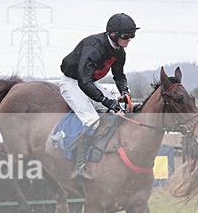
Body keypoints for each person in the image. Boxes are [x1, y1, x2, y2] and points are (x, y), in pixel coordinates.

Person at [59, 13, 139, 180]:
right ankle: (78, 166)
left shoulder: (119, 51)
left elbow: (119, 76)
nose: (129, 40)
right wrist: (106, 101)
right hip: (73, 82)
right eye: (126, 36)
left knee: (120, 111)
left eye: (132, 36)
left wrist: (124, 92)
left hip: (89, 82)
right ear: (113, 34)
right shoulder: (94, 47)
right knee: (92, 121)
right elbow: (83, 81)